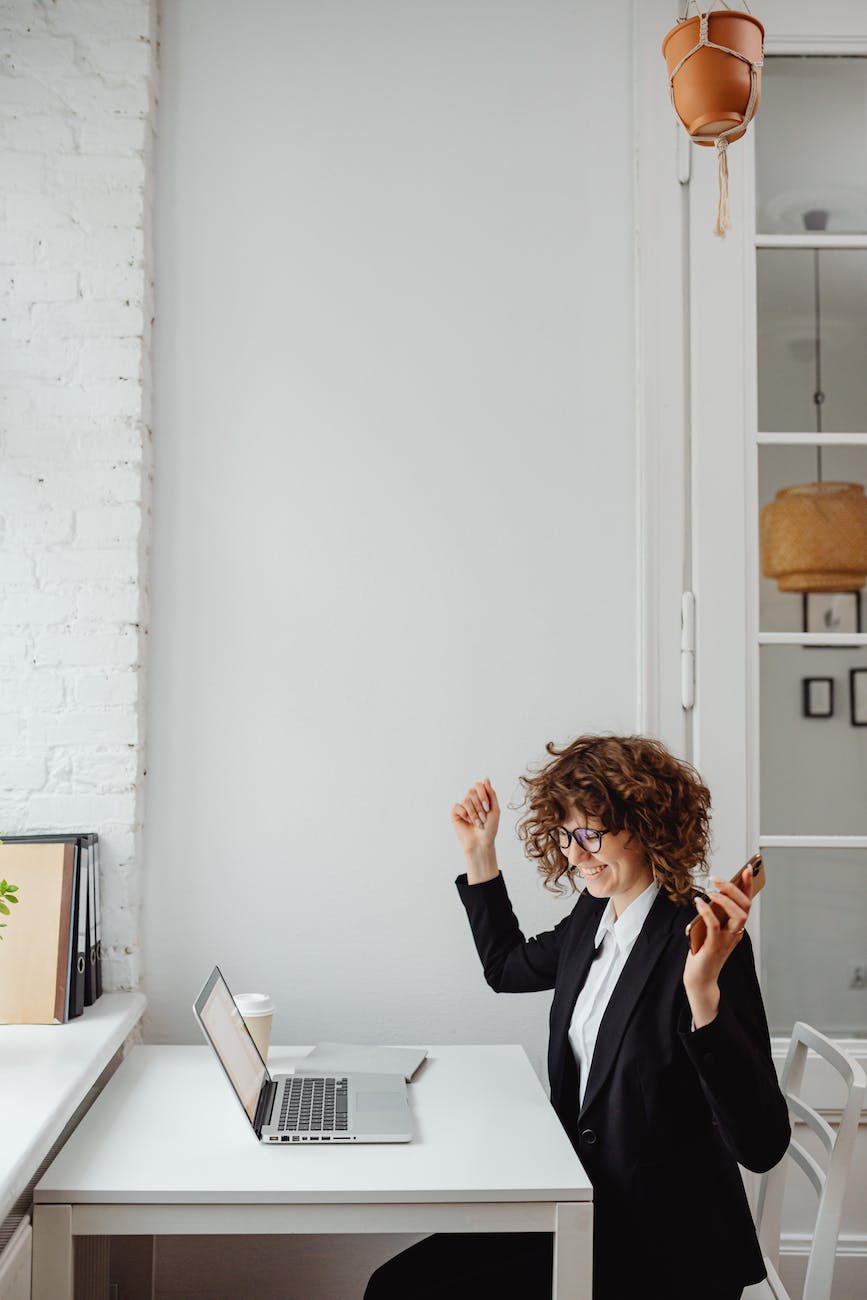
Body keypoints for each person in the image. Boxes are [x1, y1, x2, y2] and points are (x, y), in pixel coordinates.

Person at [364, 734, 790, 1300]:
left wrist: (703, 990)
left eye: (590, 834)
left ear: (646, 825)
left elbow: (761, 1144)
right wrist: (480, 853)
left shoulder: (700, 944)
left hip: (660, 1247)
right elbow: (506, 967)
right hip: (582, 1203)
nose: (574, 853)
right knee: (394, 1283)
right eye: (566, 835)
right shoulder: (594, 915)